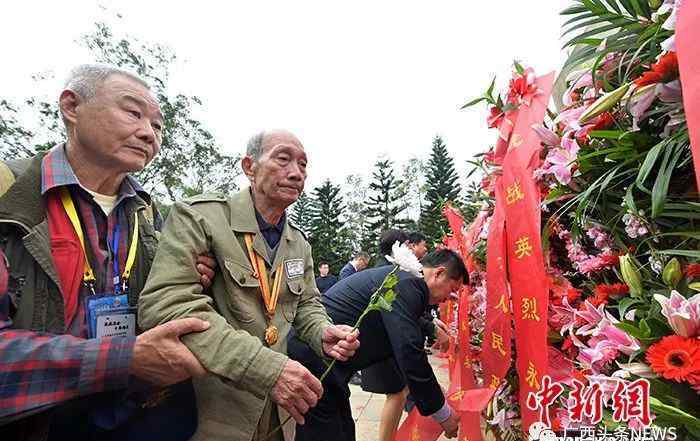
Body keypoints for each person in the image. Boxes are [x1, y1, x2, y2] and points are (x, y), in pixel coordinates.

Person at [0, 64, 217, 441]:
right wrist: (124, 358)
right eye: (133, 112)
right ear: (71, 106)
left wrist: (188, 277)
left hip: (132, 414)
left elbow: (160, 302)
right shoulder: (9, 197)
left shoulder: (150, 214)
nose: (149, 133)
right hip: (38, 422)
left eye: (158, 125)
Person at [138, 129, 360, 441]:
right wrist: (265, 369)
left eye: (303, 165)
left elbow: (307, 303)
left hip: (278, 413)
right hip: (214, 410)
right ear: (249, 167)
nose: (296, 173)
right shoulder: (201, 219)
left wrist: (322, 331)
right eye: (283, 159)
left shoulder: (298, 243)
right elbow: (167, 305)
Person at [288, 249, 467, 441]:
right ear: (439, 273)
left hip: (329, 369)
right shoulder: (407, 284)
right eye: (453, 289)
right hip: (314, 364)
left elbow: (404, 323)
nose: (450, 298)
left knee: (343, 430)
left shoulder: (403, 280)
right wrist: (444, 414)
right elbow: (409, 351)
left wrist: (430, 327)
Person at [361, 229, 447, 441]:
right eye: (410, 244)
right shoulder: (390, 272)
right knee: (397, 392)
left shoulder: (393, 269)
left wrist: (431, 322)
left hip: (386, 339)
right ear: (400, 246)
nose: (419, 249)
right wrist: (430, 327)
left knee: (401, 390)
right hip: (379, 342)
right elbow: (401, 314)